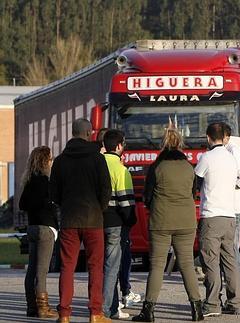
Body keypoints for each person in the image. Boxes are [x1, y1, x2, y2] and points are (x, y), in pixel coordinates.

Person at [133, 125, 203, 321]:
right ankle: (196, 309)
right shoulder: (189, 167)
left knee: (156, 266)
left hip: (161, 221)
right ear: (180, 143)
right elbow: (193, 193)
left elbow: (146, 197)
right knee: (187, 264)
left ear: (162, 143)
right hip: (186, 221)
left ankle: (148, 310)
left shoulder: (157, 167)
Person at [50, 118, 112, 323]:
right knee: (95, 266)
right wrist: (99, 208)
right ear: (88, 133)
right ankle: (95, 313)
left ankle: (64, 314)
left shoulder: (60, 160)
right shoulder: (96, 158)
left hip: (69, 220)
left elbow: (54, 194)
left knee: (67, 267)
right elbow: (106, 189)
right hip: (93, 219)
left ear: (72, 132)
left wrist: (66, 207)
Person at [196, 122, 240, 317]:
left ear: (208, 137)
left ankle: (212, 303)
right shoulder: (231, 159)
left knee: (211, 261)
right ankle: (234, 301)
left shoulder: (206, 157)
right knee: (230, 260)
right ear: (224, 137)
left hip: (211, 215)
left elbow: (196, 180)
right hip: (229, 216)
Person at [20, 146, 58, 318]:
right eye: (50, 158)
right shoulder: (46, 182)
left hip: (32, 227)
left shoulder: (29, 181)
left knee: (32, 270)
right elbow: (52, 201)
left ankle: (31, 306)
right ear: (45, 161)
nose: (52, 161)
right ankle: (43, 308)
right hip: (45, 229)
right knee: (41, 271)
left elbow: (22, 205)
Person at [102, 130, 135, 319]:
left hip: (96, 221)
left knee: (99, 265)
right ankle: (108, 309)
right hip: (116, 222)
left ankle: (107, 305)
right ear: (119, 146)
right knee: (112, 267)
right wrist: (130, 222)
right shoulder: (121, 169)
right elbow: (126, 202)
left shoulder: (96, 164)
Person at [222, 123, 240, 274]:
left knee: (233, 246)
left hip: (235, 208)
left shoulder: (233, 151)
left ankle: (236, 278)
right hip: (223, 207)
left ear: (227, 138)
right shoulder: (218, 151)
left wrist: (223, 185)